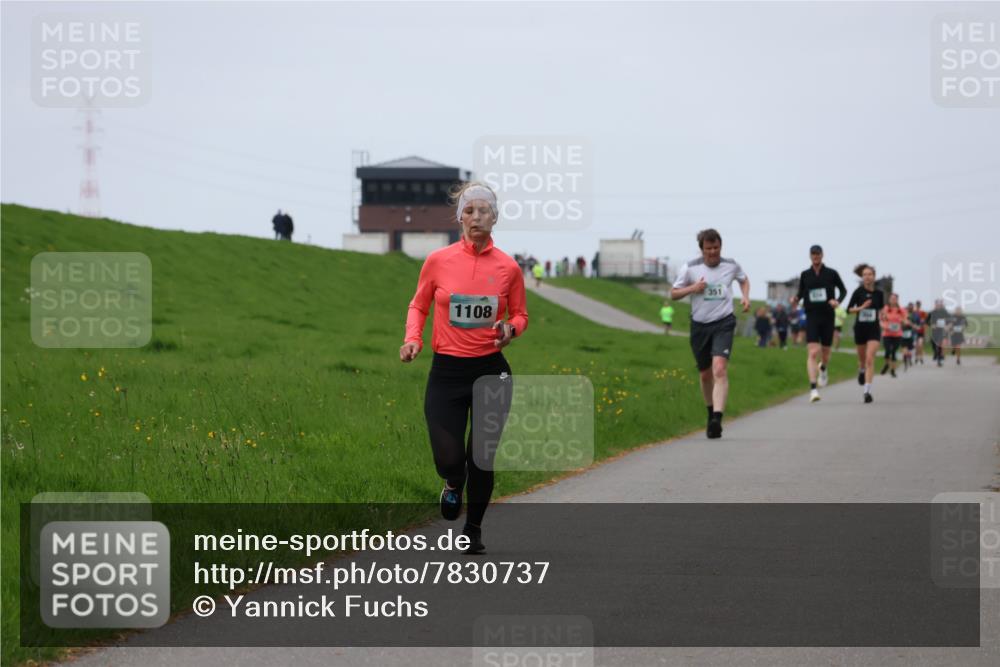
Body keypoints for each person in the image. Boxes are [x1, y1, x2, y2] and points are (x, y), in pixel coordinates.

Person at [399, 182, 528, 555]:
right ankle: (453, 483)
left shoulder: (508, 267)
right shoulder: (439, 261)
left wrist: (511, 329)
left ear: (494, 218)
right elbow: (418, 306)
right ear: (459, 218)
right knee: (450, 459)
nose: (476, 217)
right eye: (469, 211)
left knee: (482, 457)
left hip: (492, 372)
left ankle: (473, 530)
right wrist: (414, 339)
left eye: (483, 211)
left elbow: (519, 314)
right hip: (447, 372)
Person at [670, 228, 750, 439]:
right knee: (705, 374)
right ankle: (709, 413)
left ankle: (717, 418)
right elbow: (673, 294)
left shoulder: (731, 265)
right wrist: (693, 288)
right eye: (708, 249)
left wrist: (746, 297)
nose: (713, 252)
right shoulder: (690, 268)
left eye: (716, 247)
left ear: (720, 246)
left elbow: (744, 279)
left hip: (724, 322)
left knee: (720, 368)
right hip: (699, 326)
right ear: (701, 249)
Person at [791, 245, 847, 403]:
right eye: (813, 254)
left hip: (828, 315)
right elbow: (801, 292)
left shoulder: (831, 273)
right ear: (810, 256)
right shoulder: (805, 274)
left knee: (826, 353)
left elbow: (843, 290)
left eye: (818, 254)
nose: (815, 257)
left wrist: (837, 301)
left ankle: (823, 369)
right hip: (812, 315)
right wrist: (796, 299)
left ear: (822, 255)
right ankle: (813, 389)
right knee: (813, 352)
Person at [847, 263, 884, 403]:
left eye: (870, 274)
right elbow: (849, 309)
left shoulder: (879, 293)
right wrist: (861, 307)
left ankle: (867, 392)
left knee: (870, 359)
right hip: (860, 329)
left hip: (873, 329)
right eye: (865, 275)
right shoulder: (858, 292)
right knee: (862, 361)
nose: (867, 277)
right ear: (862, 277)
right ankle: (861, 370)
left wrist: (884, 315)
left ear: (874, 277)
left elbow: (881, 309)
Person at [880, 293, 905, 378]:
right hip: (887, 333)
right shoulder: (886, 309)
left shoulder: (901, 310)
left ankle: (893, 370)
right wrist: (883, 325)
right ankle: (886, 364)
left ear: (897, 300)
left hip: (897, 334)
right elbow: (881, 319)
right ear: (889, 300)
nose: (893, 300)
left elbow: (905, 320)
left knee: (894, 352)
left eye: (895, 299)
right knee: (887, 351)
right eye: (892, 298)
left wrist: (903, 321)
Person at [927, 299, 950, 367]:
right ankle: (935, 353)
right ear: (935, 305)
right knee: (933, 343)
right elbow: (927, 321)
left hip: (942, 331)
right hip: (935, 331)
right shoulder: (932, 312)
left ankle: (940, 359)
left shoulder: (945, 312)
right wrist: (931, 325)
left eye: (940, 305)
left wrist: (947, 326)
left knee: (940, 345)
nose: (938, 306)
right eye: (937, 305)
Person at [900, 302, 916, 371]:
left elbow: (913, 325)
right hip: (903, 336)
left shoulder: (911, 317)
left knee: (909, 351)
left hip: (909, 335)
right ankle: (905, 365)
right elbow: (899, 325)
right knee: (904, 351)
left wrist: (910, 324)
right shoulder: (901, 318)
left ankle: (909, 358)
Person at [912, 300, 927, 365]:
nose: (918, 306)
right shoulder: (913, 313)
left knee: (920, 345)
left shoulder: (923, 313)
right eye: (917, 305)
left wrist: (924, 329)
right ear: (916, 305)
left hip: (921, 331)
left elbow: (925, 322)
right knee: (916, 345)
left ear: (920, 306)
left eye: (919, 305)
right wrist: (913, 326)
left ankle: (921, 358)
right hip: (915, 331)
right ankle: (916, 357)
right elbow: (911, 322)